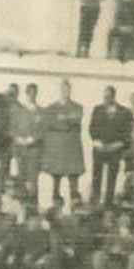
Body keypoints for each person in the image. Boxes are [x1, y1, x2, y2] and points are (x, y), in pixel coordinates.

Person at [41, 79, 86, 208]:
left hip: (72, 147)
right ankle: (56, 201)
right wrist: (65, 121)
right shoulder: (51, 108)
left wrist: (62, 121)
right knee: (56, 176)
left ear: (70, 90)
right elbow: (49, 124)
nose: (65, 92)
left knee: (73, 176)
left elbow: (75, 122)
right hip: (58, 147)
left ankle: (75, 200)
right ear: (60, 90)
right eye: (63, 89)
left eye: (67, 89)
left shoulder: (77, 107)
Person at [88, 85, 132, 206]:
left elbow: (127, 131)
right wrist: (97, 141)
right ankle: (95, 202)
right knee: (96, 177)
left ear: (114, 96)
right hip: (99, 148)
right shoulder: (97, 109)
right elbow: (92, 128)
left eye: (109, 97)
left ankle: (109, 203)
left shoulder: (124, 112)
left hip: (115, 149)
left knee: (112, 178)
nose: (106, 99)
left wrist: (118, 144)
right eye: (105, 97)